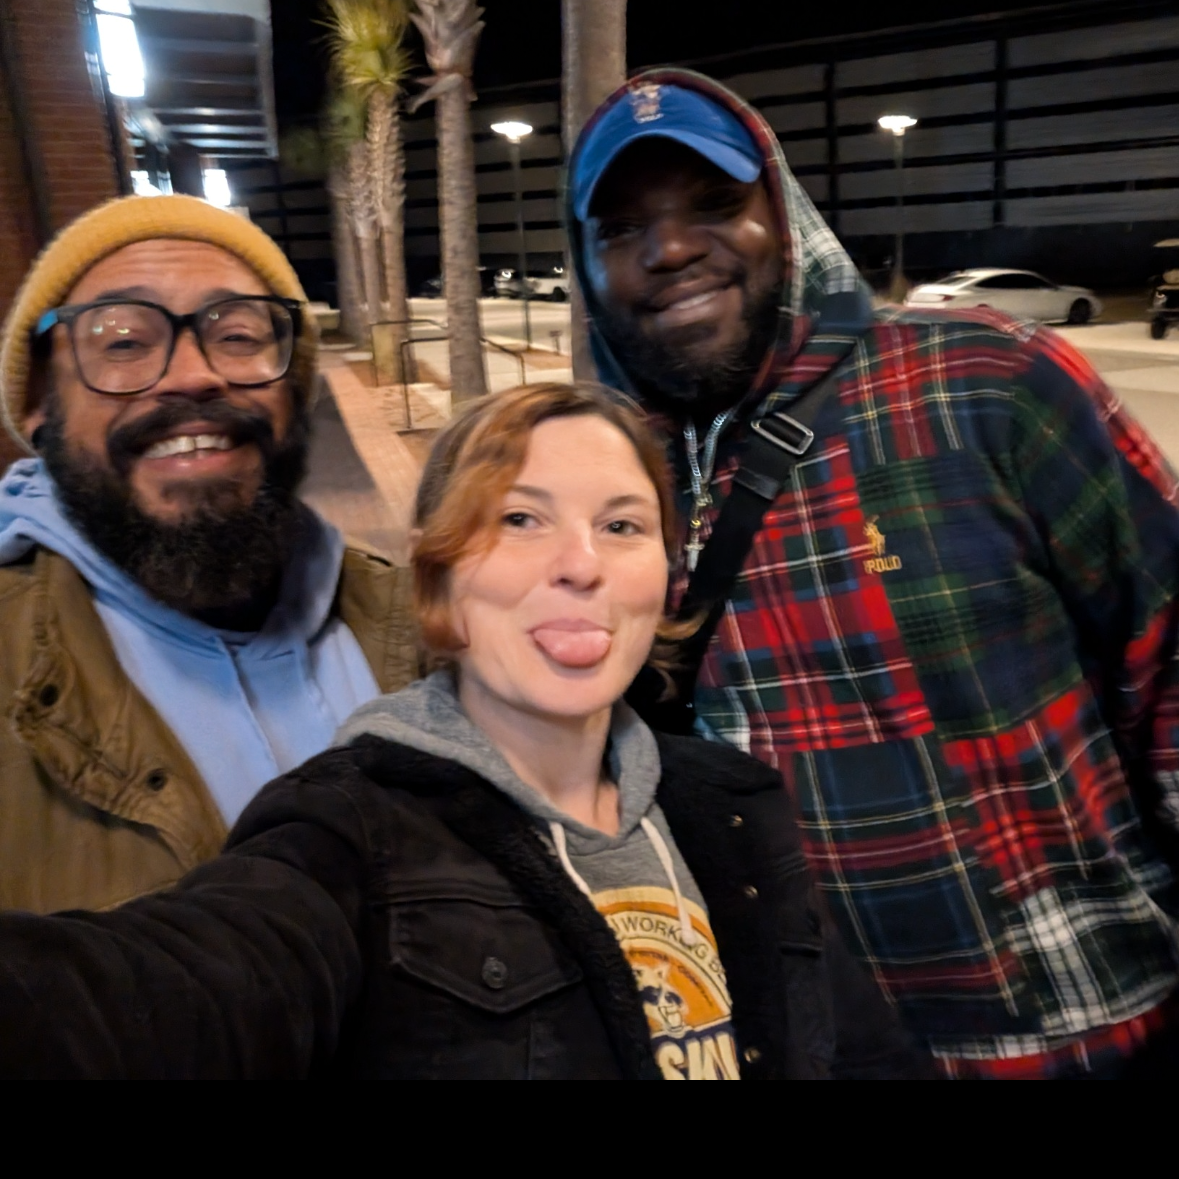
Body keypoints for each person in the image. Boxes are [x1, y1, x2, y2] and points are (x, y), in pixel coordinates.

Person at [0, 383, 915, 1080]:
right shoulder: (349, 833)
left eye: (622, 525)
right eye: (520, 519)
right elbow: (156, 989)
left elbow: (856, 1046)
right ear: (436, 579)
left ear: (663, 577)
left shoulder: (731, 806)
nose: (581, 565)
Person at [565, 70, 1179, 1079]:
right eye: (623, 228)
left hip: (1086, 1040)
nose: (670, 248)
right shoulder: (600, 487)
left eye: (715, 205)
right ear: (588, 268)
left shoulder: (986, 382)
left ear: (783, 217)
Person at [0, 194, 416, 914]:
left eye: (238, 335)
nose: (194, 375)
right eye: (124, 341)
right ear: (40, 401)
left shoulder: (426, 625)